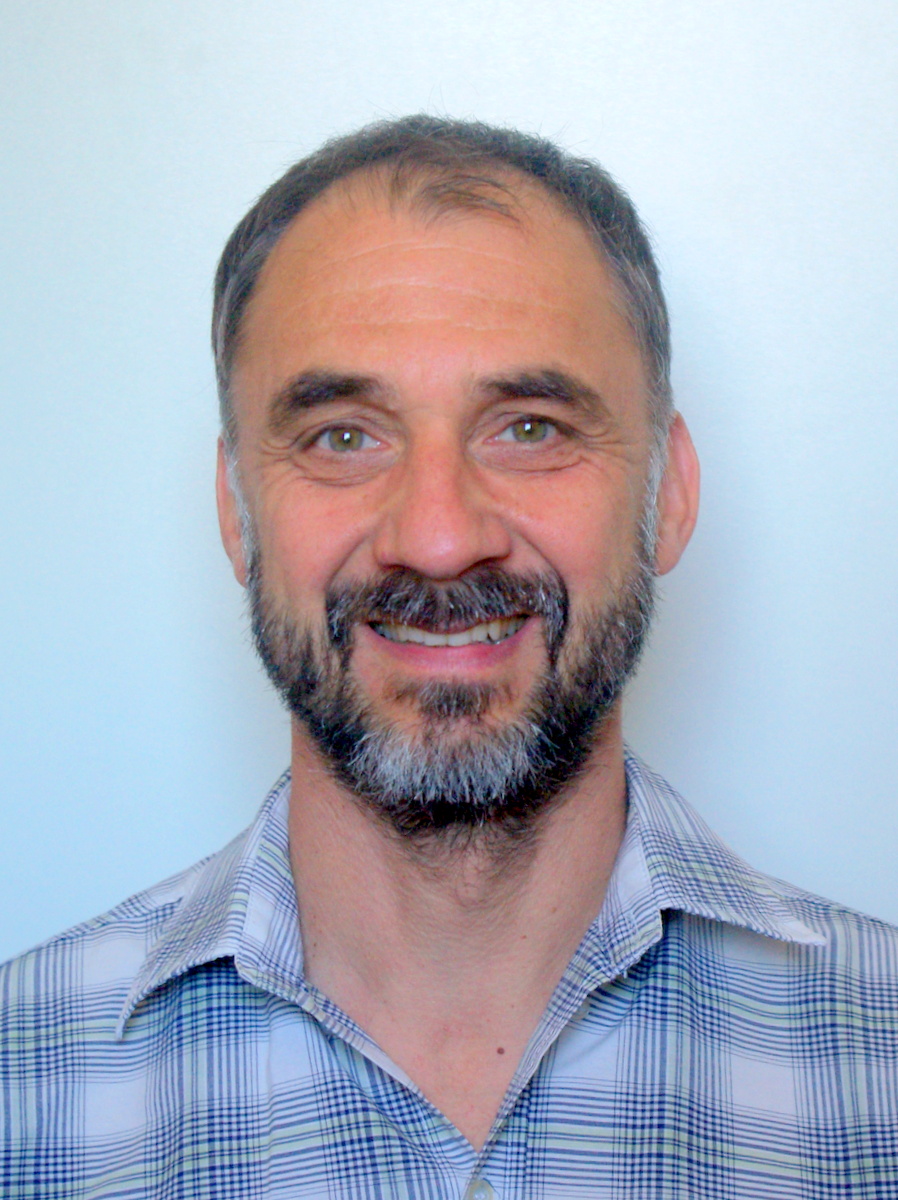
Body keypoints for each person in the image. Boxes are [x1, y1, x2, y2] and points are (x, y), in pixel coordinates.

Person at [2, 115, 896, 1199]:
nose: (436, 536)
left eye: (529, 428)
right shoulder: (22, 1091)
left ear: (669, 494)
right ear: (236, 515)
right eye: (343, 436)